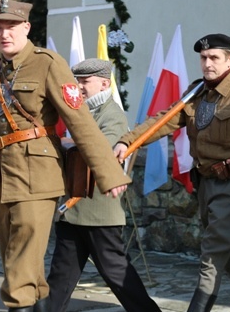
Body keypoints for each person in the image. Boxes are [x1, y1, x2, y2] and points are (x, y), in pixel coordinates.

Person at [0, 0, 132, 312]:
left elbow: (80, 123)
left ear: (26, 27)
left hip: (39, 177)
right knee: (19, 265)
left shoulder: (49, 63)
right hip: (4, 179)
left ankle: (19, 305)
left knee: (19, 270)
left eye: (11, 26)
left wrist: (108, 174)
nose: (4, 34)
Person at [113, 33, 230, 312]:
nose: (207, 63)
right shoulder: (197, 92)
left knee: (211, 256)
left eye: (214, 58)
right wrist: (128, 140)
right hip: (206, 185)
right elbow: (163, 121)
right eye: (203, 58)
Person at [47, 58, 161, 312]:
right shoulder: (83, 111)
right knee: (60, 278)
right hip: (74, 209)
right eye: (77, 81)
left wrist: (65, 143)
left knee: (119, 276)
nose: (79, 86)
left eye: (85, 81)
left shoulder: (112, 114)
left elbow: (102, 150)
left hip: (99, 213)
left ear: (103, 83)